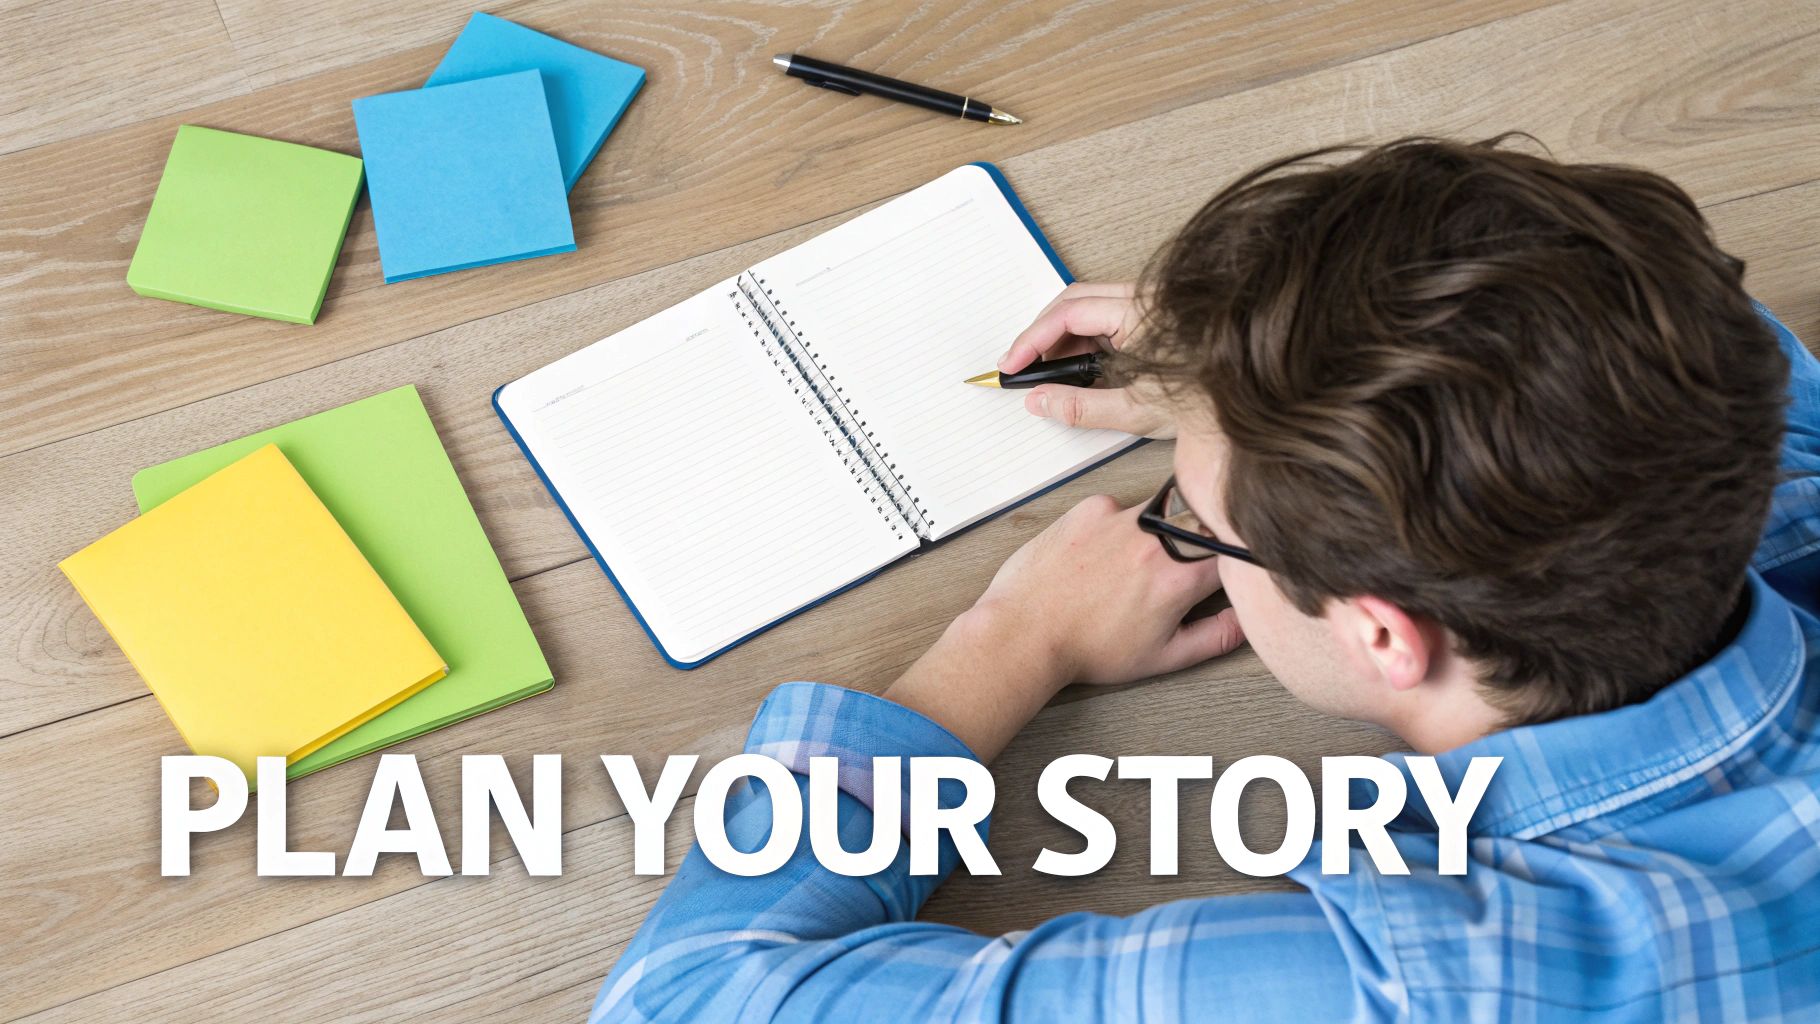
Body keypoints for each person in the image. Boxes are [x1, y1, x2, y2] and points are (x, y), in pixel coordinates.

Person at [591, 137, 1820, 1022]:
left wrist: (1010, 637)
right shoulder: (1754, 476)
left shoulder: (1421, 989)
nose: (1183, 507)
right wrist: (1266, 361)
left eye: (1201, 521)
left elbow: (685, 1001)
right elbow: (1723, 337)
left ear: (1382, 634)